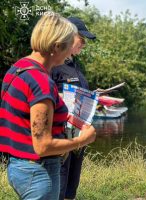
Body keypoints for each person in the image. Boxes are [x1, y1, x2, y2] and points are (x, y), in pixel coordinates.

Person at [0, 12, 96, 200]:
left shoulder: (18, 68)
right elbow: (42, 146)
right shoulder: (41, 82)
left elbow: (24, 117)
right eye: (69, 45)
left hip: (17, 166)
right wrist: (82, 140)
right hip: (38, 172)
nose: (70, 53)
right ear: (57, 45)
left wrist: (63, 115)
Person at [50, 17, 96, 200]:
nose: (83, 45)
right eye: (81, 39)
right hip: (61, 136)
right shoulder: (53, 64)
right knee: (58, 188)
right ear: (68, 35)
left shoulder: (75, 66)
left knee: (71, 189)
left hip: (78, 134)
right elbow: (44, 97)